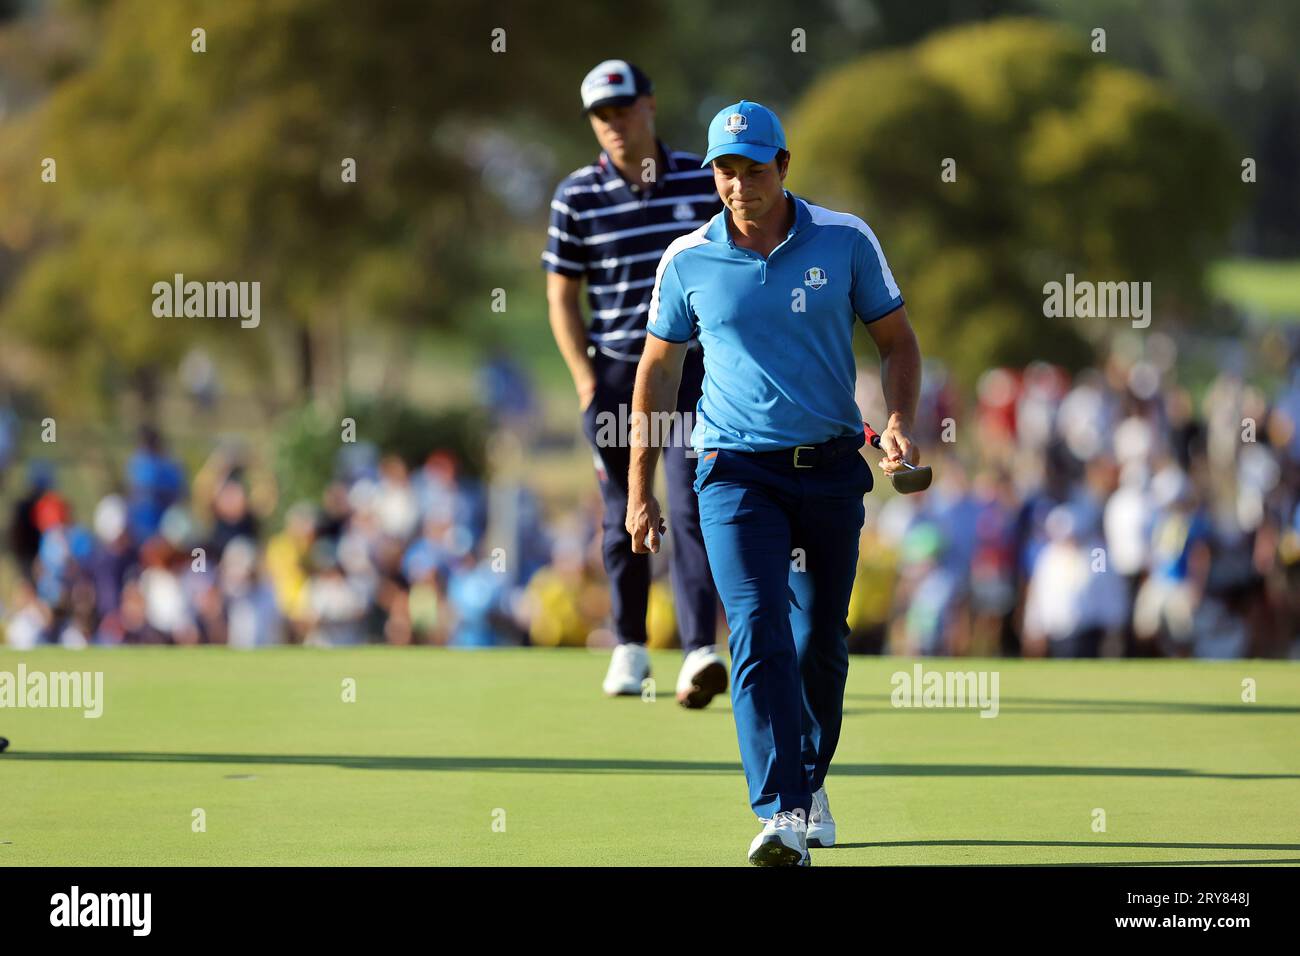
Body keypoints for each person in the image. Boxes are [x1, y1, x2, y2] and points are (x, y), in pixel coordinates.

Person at [627, 101, 922, 865]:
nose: (738, 185)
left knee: (820, 643)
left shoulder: (846, 240)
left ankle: (808, 781)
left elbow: (897, 340)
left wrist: (898, 422)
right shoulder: (686, 259)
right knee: (756, 629)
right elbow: (656, 373)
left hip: (829, 471)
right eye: (725, 170)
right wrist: (639, 490)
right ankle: (781, 811)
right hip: (732, 474)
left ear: (784, 166)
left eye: (753, 170)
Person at [543, 60, 726, 706]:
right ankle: (630, 645)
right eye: (602, 115)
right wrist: (587, 383)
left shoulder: (702, 183)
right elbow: (562, 297)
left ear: (650, 105)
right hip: (618, 372)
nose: (615, 123)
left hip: (695, 371)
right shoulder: (577, 197)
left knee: (691, 503)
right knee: (624, 511)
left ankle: (700, 648)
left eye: (624, 109)